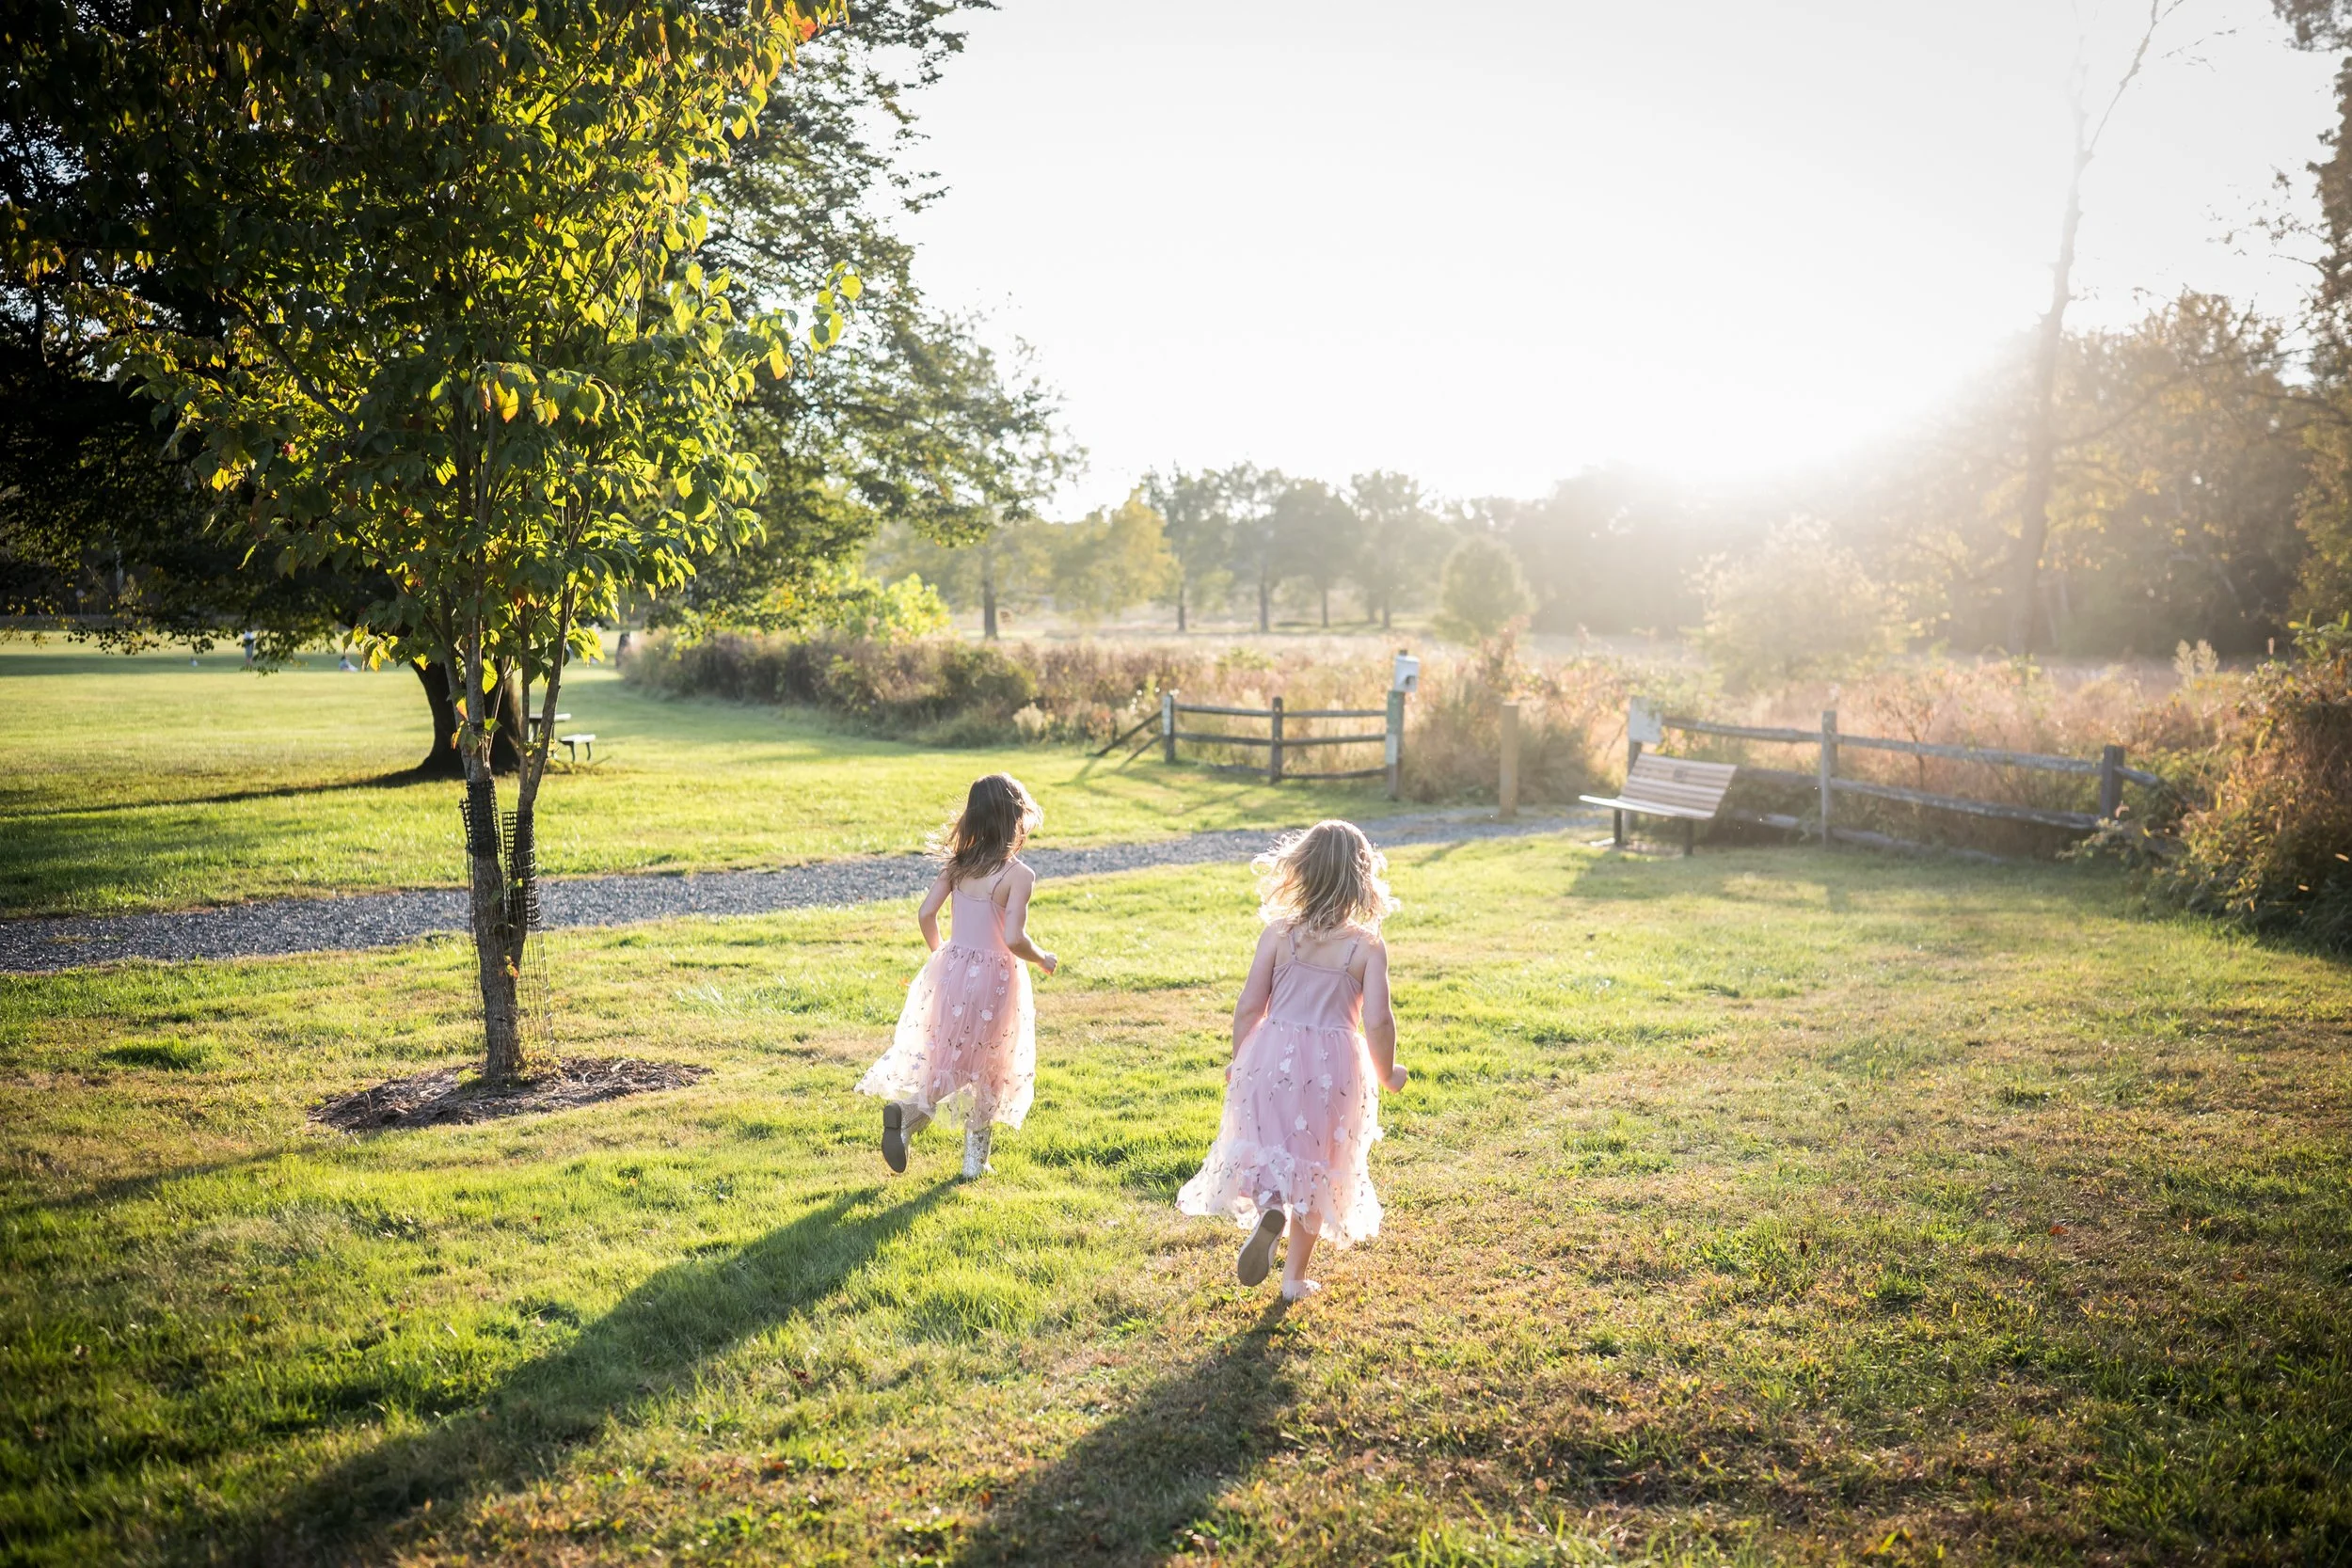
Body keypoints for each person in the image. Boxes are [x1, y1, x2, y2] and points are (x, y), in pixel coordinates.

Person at [1177, 819, 1406, 1302]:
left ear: (1301, 871)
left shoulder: (1280, 934)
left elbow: (1248, 1007)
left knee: (1271, 1151)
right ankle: (1292, 1279)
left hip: (1272, 1058)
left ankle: (1268, 1214)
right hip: (1333, 1072)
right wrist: (1387, 1073)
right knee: (1318, 1167)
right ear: (1362, 880)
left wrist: (1240, 1061)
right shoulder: (1365, 946)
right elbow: (1380, 1024)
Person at [857, 774, 1057, 1180]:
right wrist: (1041, 958)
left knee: (950, 1056)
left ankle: (909, 1114)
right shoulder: (1018, 875)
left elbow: (925, 914)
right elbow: (1014, 938)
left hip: (953, 972)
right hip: (996, 980)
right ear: (1015, 820)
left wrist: (944, 957)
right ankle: (973, 1162)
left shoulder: (958, 866)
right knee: (991, 1066)